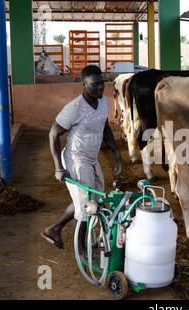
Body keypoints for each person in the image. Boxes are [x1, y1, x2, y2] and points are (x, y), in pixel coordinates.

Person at [41, 65, 121, 250]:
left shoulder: (103, 103)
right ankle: (82, 250)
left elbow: (105, 126)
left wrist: (116, 152)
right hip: (75, 160)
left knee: (95, 200)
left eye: (102, 83)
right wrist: (58, 167)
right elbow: (53, 134)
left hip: (92, 160)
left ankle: (54, 228)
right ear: (83, 84)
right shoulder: (74, 108)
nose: (100, 88)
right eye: (95, 85)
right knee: (86, 207)